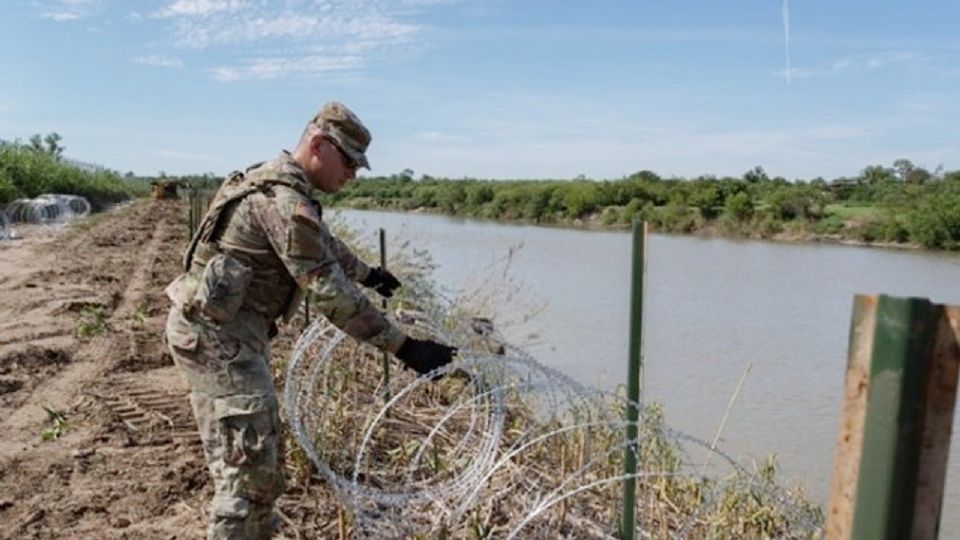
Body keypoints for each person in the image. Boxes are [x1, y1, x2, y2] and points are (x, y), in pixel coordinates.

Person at [164, 101, 457, 539]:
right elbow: (328, 292)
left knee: (257, 468)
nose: (353, 174)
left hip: (225, 332)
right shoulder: (284, 201)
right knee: (247, 474)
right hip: (218, 341)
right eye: (350, 162)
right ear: (318, 144)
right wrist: (404, 347)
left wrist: (368, 272)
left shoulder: (281, 188)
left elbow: (322, 244)